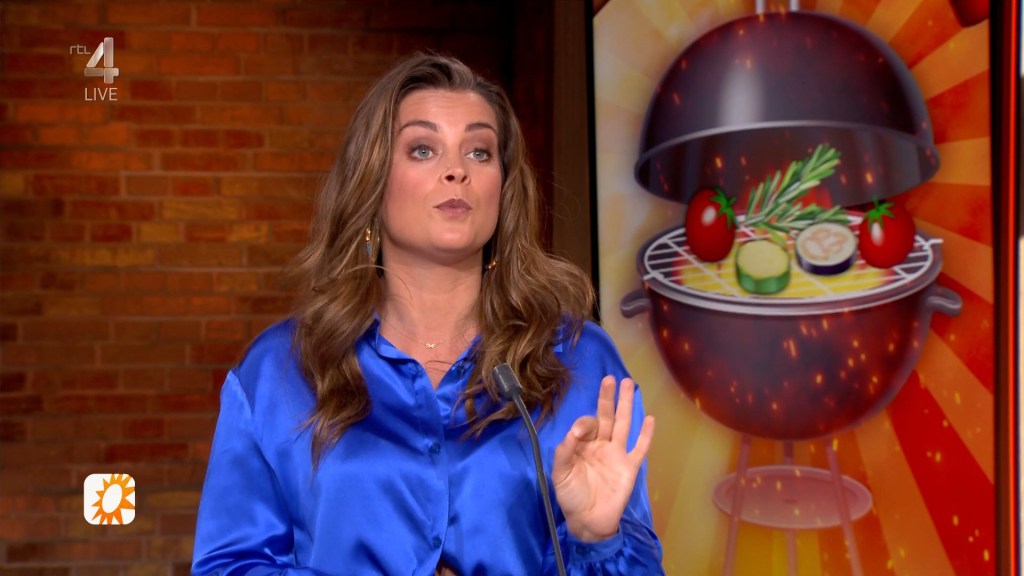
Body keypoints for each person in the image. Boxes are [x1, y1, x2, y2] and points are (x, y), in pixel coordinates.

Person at [191, 52, 664, 575]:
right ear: (373, 180)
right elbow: (228, 566)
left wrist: (598, 540)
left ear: (503, 188)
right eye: (422, 149)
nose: (457, 170)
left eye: (480, 152)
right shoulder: (281, 369)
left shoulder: (580, 360)